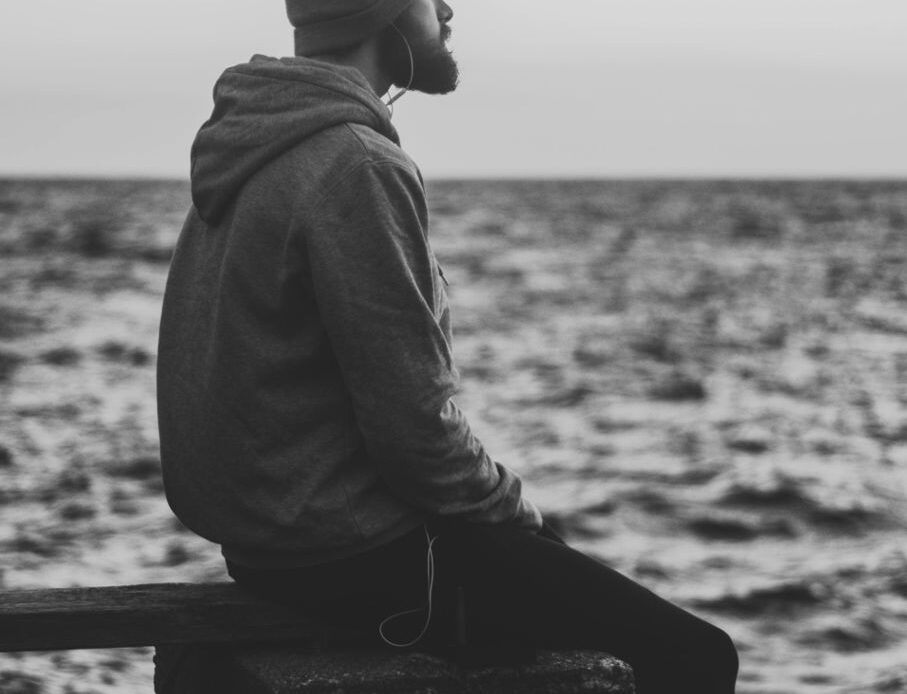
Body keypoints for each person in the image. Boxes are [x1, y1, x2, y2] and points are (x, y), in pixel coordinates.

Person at [156, 1, 739, 691]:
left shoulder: (253, 143)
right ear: (390, 15)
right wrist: (515, 515)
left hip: (266, 550)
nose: (448, 10)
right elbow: (412, 427)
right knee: (694, 657)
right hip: (358, 560)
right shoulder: (355, 164)